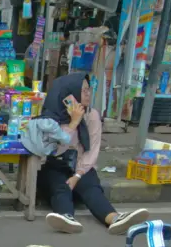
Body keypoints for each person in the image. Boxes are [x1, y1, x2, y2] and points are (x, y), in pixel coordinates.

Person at [38, 72, 149, 234]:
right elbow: (53, 148)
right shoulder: (51, 118)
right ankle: (66, 218)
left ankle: (114, 219)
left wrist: (78, 175)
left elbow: (93, 149)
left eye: (88, 89)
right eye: (83, 90)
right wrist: (74, 122)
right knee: (60, 187)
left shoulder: (91, 115)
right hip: (54, 164)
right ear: (69, 93)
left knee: (90, 186)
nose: (88, 94)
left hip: (79, 165)